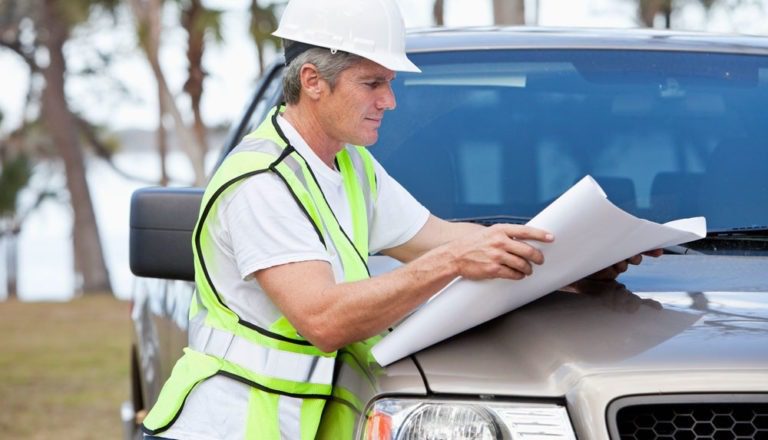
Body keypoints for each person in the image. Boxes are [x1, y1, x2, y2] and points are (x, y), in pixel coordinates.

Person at [141, 0, 657, 438]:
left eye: (388, 83)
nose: (389, 100)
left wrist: (572, 265)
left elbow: (442, 239)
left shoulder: (350, 164)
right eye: (373, 83)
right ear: (312, 80)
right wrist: (454, 261)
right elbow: (323, 318)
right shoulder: (262, 183)